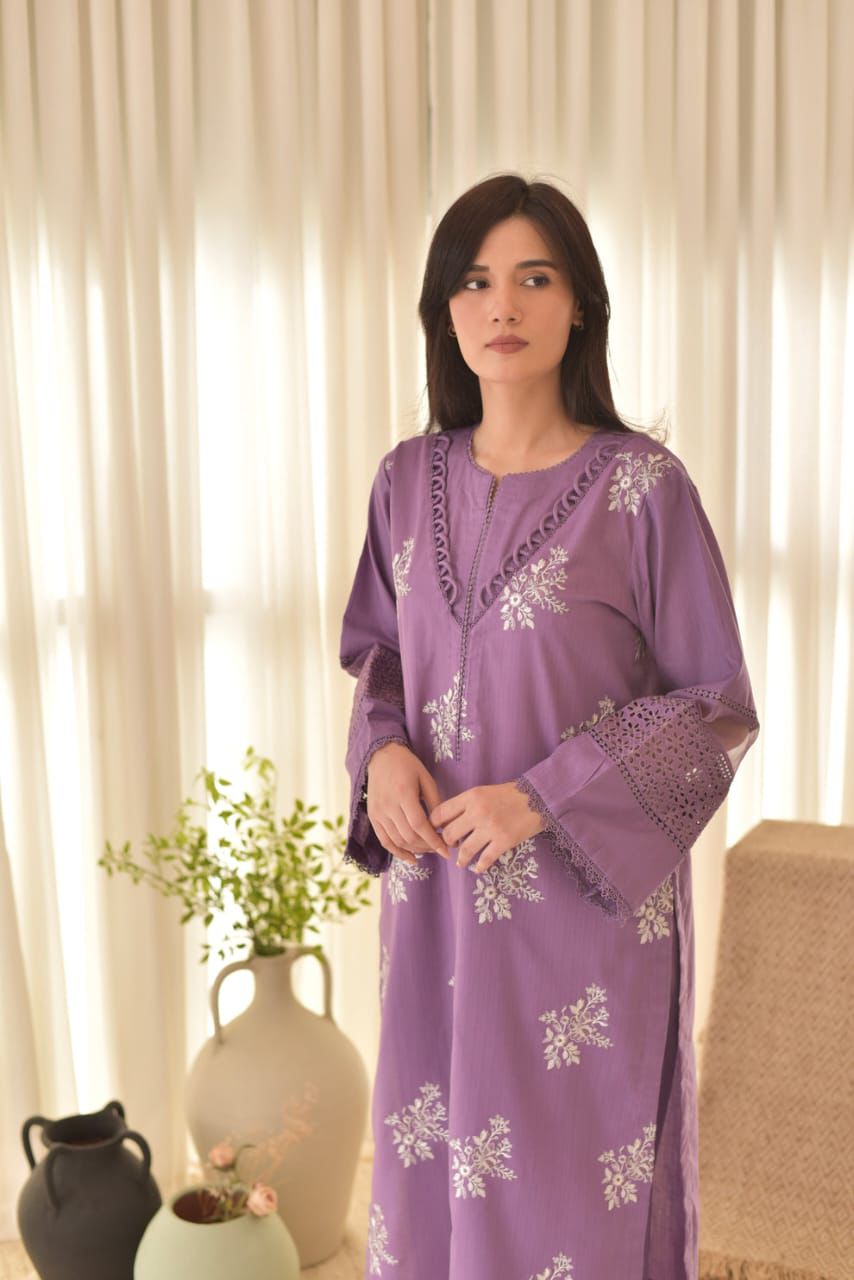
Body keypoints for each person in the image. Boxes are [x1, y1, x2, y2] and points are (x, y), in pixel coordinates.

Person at [338, 173, 759, 1279]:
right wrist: (382, 752)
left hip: (583, 920)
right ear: (444, 311)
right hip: (436, 905)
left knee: (570, 1203)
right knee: (431, 1189)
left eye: (534, 278)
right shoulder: (404, 480)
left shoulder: (643, 490)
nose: (503, 306)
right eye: (475, 282)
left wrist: (542, 798)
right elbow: (378, 653)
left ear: (580, 305)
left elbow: (715, 705)